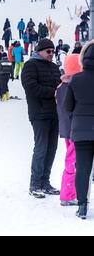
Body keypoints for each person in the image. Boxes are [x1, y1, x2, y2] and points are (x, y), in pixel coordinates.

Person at [21, 38, 62, 198]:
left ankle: (45, 182)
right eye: (48, 51)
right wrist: (52, 92)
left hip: (54, 113)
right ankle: (35, 184)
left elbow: (58, 85)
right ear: (40, 51)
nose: (51, 54)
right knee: (41, 148)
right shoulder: (30, 65)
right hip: (39, 114)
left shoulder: (53, 67)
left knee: (52, 148)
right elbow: (30, 87)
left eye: (53, 51)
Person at [64, 42, 94, 219]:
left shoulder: (76, 79)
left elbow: (68, 106)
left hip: (81, 132)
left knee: (82, 168)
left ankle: (82, 207)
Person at [56, 54, 82, 207]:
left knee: (72, 158)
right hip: (74, 128)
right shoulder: (72, 87)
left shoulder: (61, 86)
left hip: (67, 127)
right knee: (72, 160)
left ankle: (70, 191)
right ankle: (67, 194)